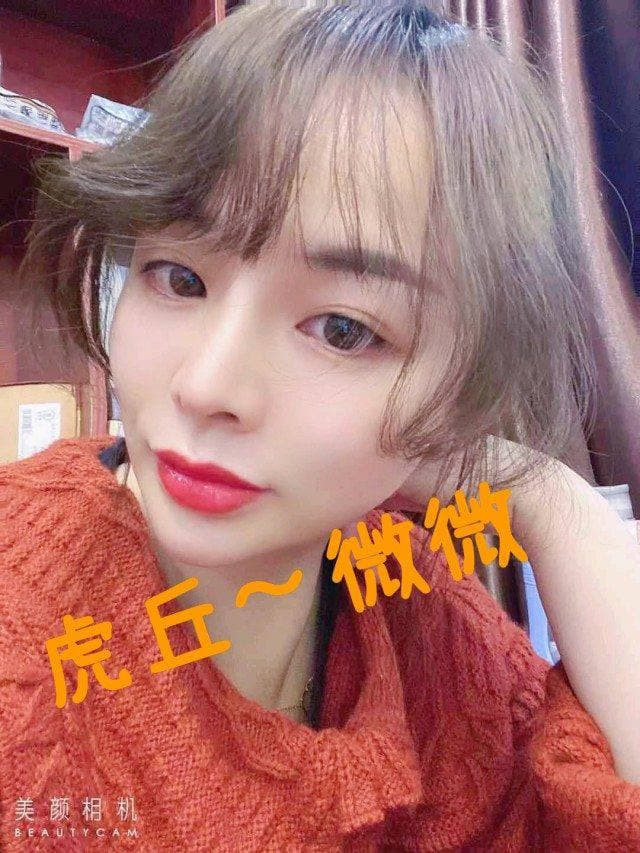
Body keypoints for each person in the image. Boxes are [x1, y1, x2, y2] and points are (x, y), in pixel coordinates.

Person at [1, 1, 639, 849]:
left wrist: (553, 501)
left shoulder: (421, 614)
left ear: (461, 389)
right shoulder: (22, 617)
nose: (206, 386)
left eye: (342, 329)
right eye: (178, 278)